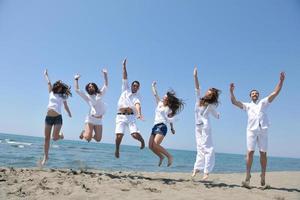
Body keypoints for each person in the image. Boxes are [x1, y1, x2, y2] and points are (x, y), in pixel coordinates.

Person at [230, 72, 285, 187]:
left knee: (263, 153)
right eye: (252, 93)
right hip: (251, 130)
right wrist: (231, 92)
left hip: (263, 130)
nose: (254, 94)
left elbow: (275, 93)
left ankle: (263, 175)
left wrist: (281, 81)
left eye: (256, 93)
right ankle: (248, 175)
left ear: (258, 96)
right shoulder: (247, 105)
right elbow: (234, 102)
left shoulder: (263, 103)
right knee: (250, 152)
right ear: (250, 96)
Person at [192, 67, 221, 180]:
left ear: (212, 96)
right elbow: (197, 88)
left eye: (209, 92)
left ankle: (206, 171)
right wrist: (195, 76)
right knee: (199, 148)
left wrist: (217, 115)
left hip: (205, 127)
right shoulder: (199, 100)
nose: (207, 93)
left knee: (207, 148)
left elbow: (215, 114)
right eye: (208, 91)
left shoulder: (211, 105)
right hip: (197, 127)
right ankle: (197, 168)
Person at [114, 58, 145, 158]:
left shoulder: (138, 96)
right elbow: (125, 76)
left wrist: (139, 114)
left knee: (134, 135)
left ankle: (142, 141)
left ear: (138, 88)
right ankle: (117, 149)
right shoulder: (125, 89)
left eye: (137, 86)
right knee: (119, 135)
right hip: (121, 116)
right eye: (134, 85)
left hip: (131, 116)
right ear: (131, 85)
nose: (135, 87)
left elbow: (137, 105)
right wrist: (124, 66)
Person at [148, 81, 184, 167]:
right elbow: (155, 94)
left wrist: (172, 128)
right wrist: (153, 86)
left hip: (162, 126)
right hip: (155, 126)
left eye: (166, 96)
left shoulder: (169, 109)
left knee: (155, 144)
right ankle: (161, 157)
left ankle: (169, 156)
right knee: (150, 146)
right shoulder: (159, 103)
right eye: (164, 95)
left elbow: (170, 119)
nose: (164, 96)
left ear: (167, 99)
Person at [41, 69, 72, 166]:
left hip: (58, 118)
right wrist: (46, 74)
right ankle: (46, 157)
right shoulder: (51, 92)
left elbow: (66, 106)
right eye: (57, 86)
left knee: (54, 138)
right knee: (46, 138)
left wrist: (69, 113)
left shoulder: (63, 97)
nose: (58, 87)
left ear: (61, 88)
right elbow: (49, 82)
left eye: (60, 87)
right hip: (48, 118)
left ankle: (60, 136)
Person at [74, 69, 108, 142]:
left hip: (99, 119)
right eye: (89, 87)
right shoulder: (87, 97)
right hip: (90, 118)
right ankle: (84, 133)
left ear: (95, 87)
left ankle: (88, 133)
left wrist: (105, 75)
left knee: (98, 139)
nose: (90, 87)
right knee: (88, 138)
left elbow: (106, 85)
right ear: (87, 89)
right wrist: (76, 79)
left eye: (92, 86)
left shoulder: (100, 94)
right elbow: (77, 90)